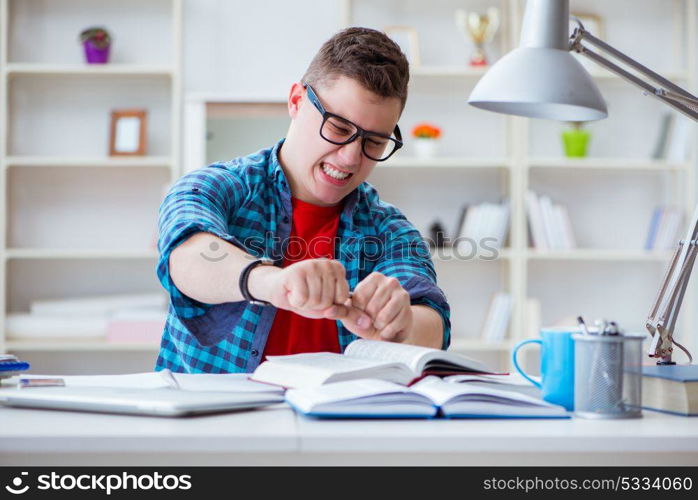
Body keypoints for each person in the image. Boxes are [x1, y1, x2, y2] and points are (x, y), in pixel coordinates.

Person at [155, 27, 450, 373]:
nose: (351, 158)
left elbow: (433, 320)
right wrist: (272, 283)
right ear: (296, 100)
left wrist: (402, 324)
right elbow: (187, 257)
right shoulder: (211, 187)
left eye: (374, 142)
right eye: (339, 128)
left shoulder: (391, 231)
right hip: (212, 424)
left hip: (335, 423)